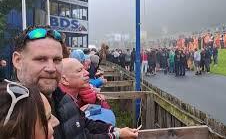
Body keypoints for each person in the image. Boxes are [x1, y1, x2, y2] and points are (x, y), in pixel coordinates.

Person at [11, 25, 139, 139]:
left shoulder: (61, 97)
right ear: (18, 61)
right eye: (40, 59)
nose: (51, 68)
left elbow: (81, 123)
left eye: (57, 60)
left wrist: (115, 131)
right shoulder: (10, 114)